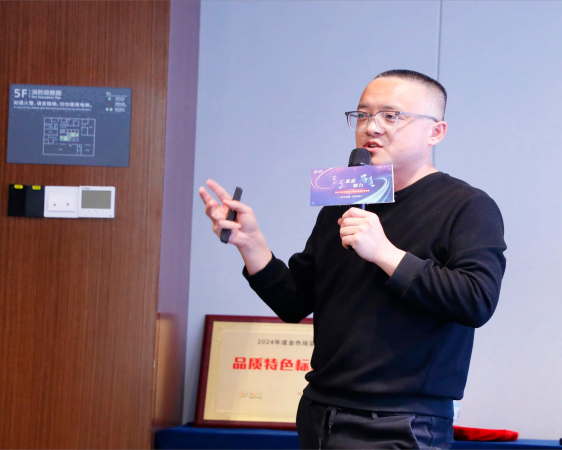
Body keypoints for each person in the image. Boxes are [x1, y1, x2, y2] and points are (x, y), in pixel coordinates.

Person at [198, 69, 506, 450]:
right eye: (362, 115)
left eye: (390, 116)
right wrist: (251, 244)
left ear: (436, 132)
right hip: (319, 413)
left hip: (402, 422)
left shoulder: (468, 206)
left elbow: (476, 300)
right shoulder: (344, 201)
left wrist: (385, 253)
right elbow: (294, 301)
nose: (371, 127)